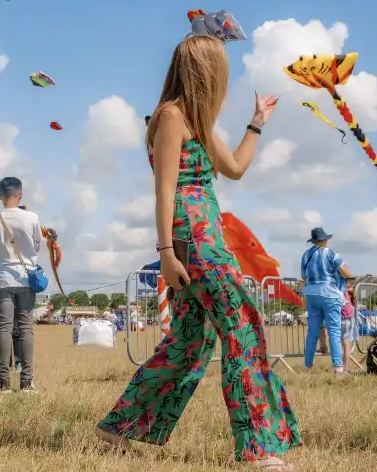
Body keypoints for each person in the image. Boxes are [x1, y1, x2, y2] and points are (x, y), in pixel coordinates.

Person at [95, 36, 301, 470]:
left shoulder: (198, 121)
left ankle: (117, 429)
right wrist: (166, 253)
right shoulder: (171, 117)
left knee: (191, 340)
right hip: (194, 237)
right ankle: (259, 447)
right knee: (241, 327)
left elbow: (237, 169)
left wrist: (257, 121)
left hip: (205, 232)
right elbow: (164, 190)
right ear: (205, 72)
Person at [0, 176, 41, 393]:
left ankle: (3, 382)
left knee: (5, 330)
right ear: (21, 195)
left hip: (3, 279)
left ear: (0, 196)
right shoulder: (32, 217)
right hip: (27, 279)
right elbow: (36, 248)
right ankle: (27, 383)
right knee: (26, 330)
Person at [301, 227, 352, 376]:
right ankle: (338, 369)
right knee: (334, 332)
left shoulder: (306, 254)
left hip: (311, 294)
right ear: (324, 240)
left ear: (313, 240)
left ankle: (307, 367)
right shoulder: (330, 253)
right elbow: (346, 272)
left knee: (312, 332)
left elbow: (303, 276)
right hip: (330, 294)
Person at [341, 280, 357, 371]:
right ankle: (345, 366)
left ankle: (344, 367)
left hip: (342, 319)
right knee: (346, 344)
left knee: (344, 344)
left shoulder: (342, 292)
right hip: (349, 320)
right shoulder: (350, 296)